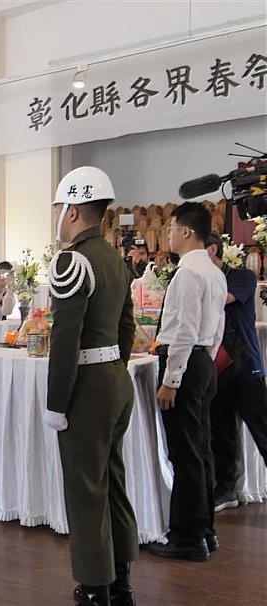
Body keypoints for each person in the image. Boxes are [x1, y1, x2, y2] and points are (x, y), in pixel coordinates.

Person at [44, 167, 139, 606]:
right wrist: (113, 369)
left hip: (86, 386)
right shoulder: (114, 258)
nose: (58, 218)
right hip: (116, 380)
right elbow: (126, 326)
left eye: (60, 210)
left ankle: (93, 587)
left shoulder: (73, 260)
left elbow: (65, 340)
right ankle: (120, 579)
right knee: (112, 479)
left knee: (85, 487)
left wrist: (56, 401)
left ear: (74, 210)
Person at [148, 202, 227, 562]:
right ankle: (205, 530)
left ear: (186, 232)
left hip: (185, 362)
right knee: (201, 449)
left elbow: (183, 330)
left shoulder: (186, 274)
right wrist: (203, 364)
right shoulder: (213, 271)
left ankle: (186, 536)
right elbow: (216, 327)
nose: (167, 234)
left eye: (170, 228)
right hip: (202, 362)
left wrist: (172, 380)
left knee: (185, 453)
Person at [204, 231, 267, 511]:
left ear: (213, 250)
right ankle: (226, 490)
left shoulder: (242, 277)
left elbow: (220, 299)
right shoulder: (205, 280)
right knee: (222, 431)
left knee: (262, 427)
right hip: (218, 368)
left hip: (246, 368)